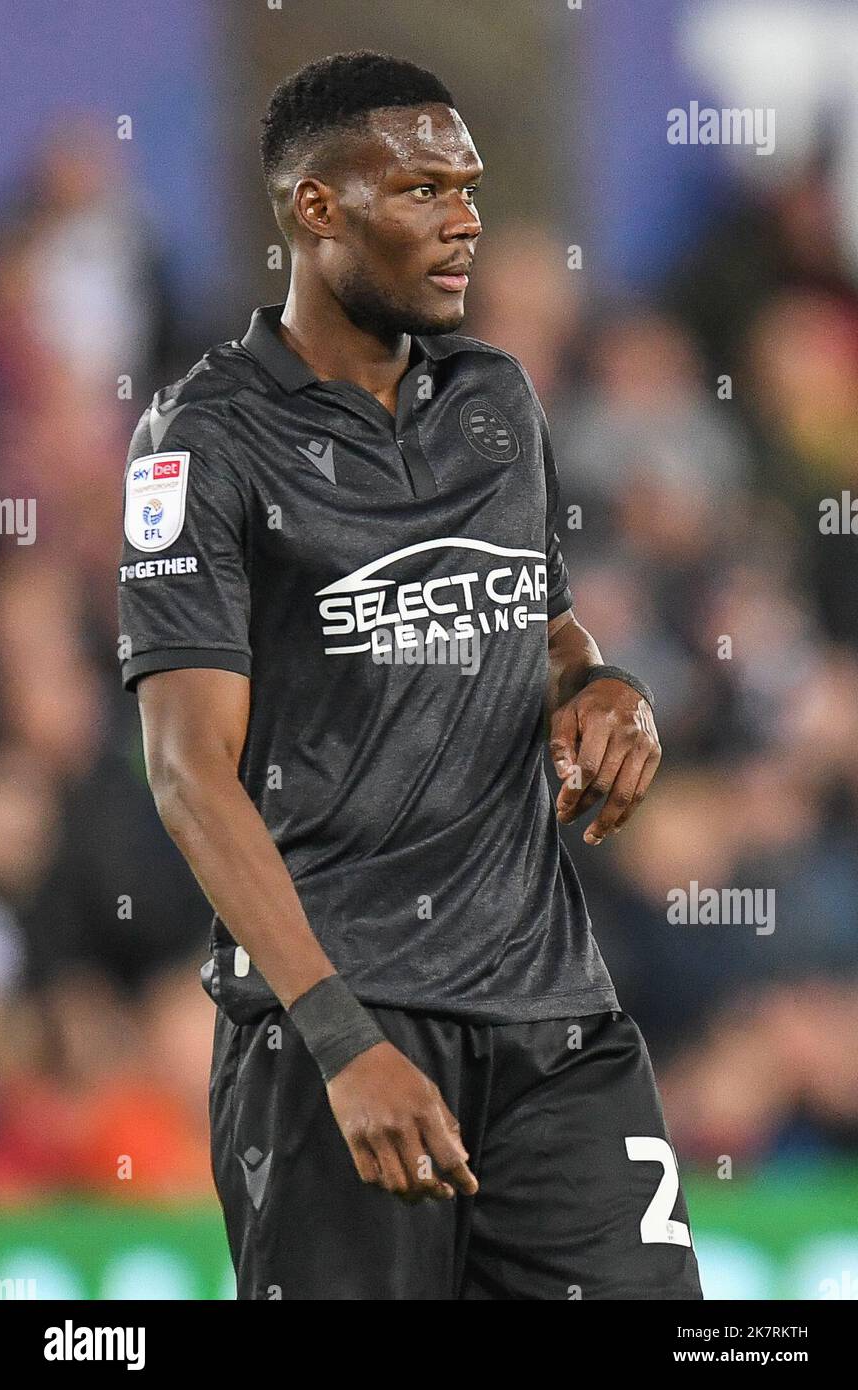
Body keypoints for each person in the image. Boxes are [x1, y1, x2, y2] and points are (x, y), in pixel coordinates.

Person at [117, 50, 702, 1300]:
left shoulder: (496, 400)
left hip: (554, 1016)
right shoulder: (203, 440)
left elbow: (540, 626)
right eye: (426, 188)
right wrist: (340, 1040)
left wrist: (603, 685)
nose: (467, 220)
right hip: (343, 1030)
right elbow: (185, 771)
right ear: (315, 210)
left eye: (471, 187)